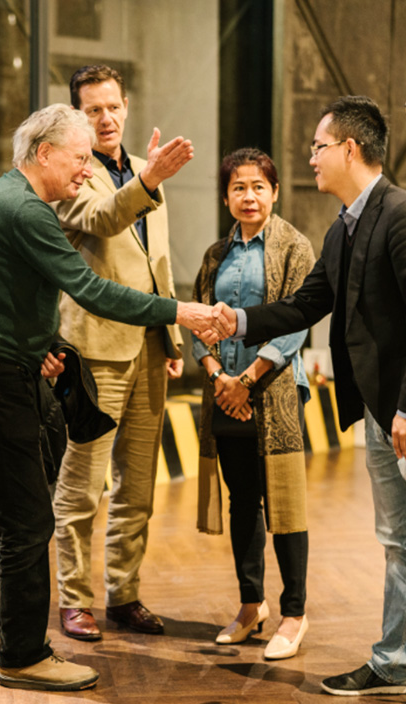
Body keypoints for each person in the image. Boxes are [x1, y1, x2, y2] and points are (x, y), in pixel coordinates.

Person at [0, 103, 230, 693]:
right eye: (78, 158)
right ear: (44, 152)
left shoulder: (5, 195)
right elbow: (90, 289)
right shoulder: (26, 208)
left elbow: (4, 293)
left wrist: (41, 343)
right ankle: (24, 656)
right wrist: (180, 311)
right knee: (29, 521)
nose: (85, 169)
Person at [202, 96, 406, 696]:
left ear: (349, 148)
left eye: (318, 147)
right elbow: (304, 305)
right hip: (379, 411)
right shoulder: (343, 227)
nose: (310, 158)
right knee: (397, 539)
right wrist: (236, 322)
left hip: (399, 409)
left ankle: (393, 658)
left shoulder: (399, 214)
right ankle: (396, 660)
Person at [51, 64, 193, 641]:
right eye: (93, 110)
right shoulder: (72, 176)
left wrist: (173, 337)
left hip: (149, 347)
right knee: (82, 486)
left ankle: (124, 593)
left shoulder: (142, 168)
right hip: (95, 350)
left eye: (113, 106)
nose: (106, 118)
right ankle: (74, 598)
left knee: (137, 487)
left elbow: (160, 262)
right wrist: (150, 180)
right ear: (76, 116)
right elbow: (105, 218)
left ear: (127, 107)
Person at [192, 148, 315, 660]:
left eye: (258, 186)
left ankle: (294, 613)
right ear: (226, 197)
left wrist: (247, 379)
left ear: (275, 192)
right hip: (226, 394)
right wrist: (219, 377)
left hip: (275, 392)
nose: (249, 196)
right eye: (238, 187)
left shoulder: (295, 247)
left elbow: (297, 321)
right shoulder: (214, 255)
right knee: (242, 501)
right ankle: (250, 605)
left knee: (284, 504)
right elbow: (198, 322)